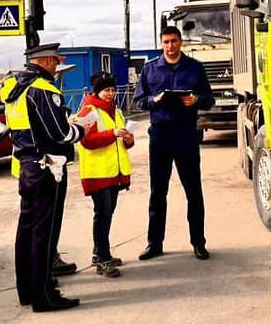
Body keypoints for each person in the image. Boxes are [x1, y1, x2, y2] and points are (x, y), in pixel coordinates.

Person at [0, 43, 86, 312]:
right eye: (56, 61)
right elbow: (60, 133)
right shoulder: (43, 88)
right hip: (48, 166)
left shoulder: (12, 86)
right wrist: (82, 129)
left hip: (26, 166)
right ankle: (44, 294)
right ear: (47, 61)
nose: (58, 66)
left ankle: (26, 289)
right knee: (44, 235)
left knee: (27, 230)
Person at [133, 26, 215, 261]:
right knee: (158, 193)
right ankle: (154, 244)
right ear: (161, 43)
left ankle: (198, 243)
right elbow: (139, 101)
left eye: (174, 41)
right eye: (166, 42)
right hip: (160, 135)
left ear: (181, 42)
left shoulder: (195, 68)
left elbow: (209, 99)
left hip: (186, 134)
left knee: (193, 191)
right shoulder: (150, 70)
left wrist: (196, 99)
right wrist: (154, 100)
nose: (170, 45)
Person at [75, 72, 135, 277]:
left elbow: (124, 143)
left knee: (107, 214)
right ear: (97, 91)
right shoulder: (88, 112)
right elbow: (86, 141)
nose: (110, 94)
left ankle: (99, 253)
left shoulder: (115, 111)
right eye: (106, 90)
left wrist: (128, 138)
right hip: (98, 173)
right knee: (103, 215)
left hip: (113, 172)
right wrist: (112, 134)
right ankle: (103, 258)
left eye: (113, 90)